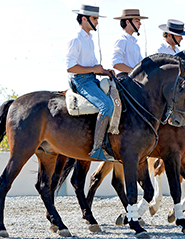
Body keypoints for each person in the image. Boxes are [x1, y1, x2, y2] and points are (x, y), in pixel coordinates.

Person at [66, 4, 114, 161]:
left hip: (92, 78)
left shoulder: (89, 39)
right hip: (81, 81)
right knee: (106, 105)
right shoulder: (76, 39)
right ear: (84, 19)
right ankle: (97, 148)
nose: (97, 22)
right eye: (95, 19)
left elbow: (92, 66)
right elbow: (71, 67)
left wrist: (105, 71)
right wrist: (94, 69)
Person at [112, 9, 148, 76]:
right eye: (137, 21)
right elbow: (116, 63)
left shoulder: (135, 43)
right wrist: (135, 71)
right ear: (128, 22)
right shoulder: (121, 40)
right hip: (125, 79)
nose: (140, 23)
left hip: (135, 77)